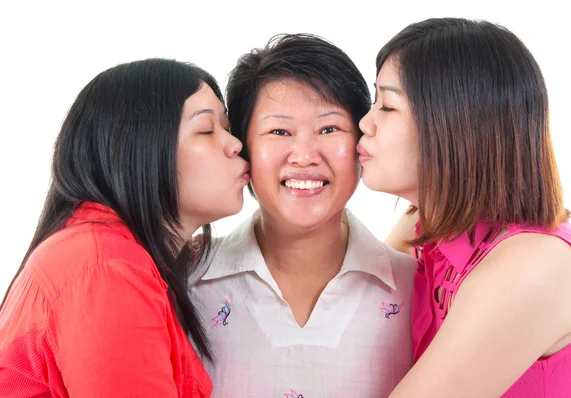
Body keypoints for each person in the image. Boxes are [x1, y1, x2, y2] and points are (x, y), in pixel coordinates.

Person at [357, 17, 571, 397]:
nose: (365, 124)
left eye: (387, 106)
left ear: (455, 124)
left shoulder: (534, 266)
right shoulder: (420, 226)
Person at [0, 58, 250, 397]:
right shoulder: (106, 269)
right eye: (207, 130)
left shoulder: (110, 257)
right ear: (138, 148)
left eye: (228, 129)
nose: (235, 144)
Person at [190, 34, 417, 397]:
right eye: (279, 131)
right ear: (241, 146)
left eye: (329, 129)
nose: (304, 154)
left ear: (362, 141)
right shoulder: (183, 276)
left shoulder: (417, 289)